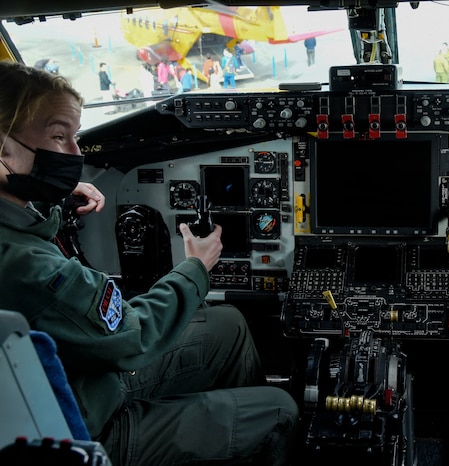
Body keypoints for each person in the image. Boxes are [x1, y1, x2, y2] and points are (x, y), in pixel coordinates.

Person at [0, 60, 298, 465]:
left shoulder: (14, 219)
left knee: (228, 324)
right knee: (279, 411)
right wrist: (195, 267)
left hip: (82, 380)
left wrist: (55, 195)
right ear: (4, 150)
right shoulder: (23, 264)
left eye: (75, 135)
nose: (77, 152)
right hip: (88, 427)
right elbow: (131, 337)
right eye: (59, 136)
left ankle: (221, 437)